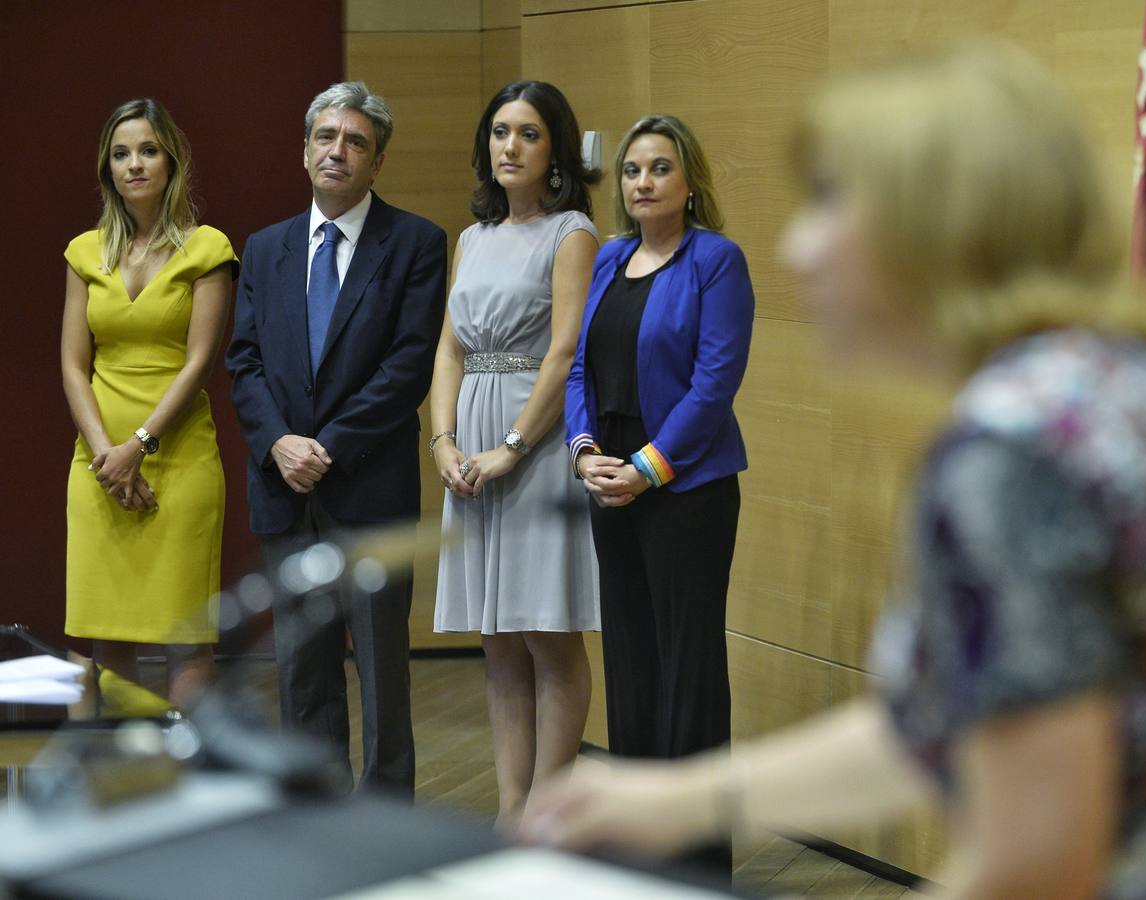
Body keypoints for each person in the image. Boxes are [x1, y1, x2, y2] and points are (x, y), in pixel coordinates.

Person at [522, 45, 1146, 897]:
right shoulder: (1134, 385)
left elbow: (1034, 847)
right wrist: (682, 799)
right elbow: (945, 724)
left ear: (936, 230)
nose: (800, 247)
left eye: (833, 203)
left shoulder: (1012, 457)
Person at [226, 81, 447, 797]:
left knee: (382, 672)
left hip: (369, 485)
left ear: (376, 163)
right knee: (302, 671)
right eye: (326, 137)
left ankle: (386, 826)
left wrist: (329, 446)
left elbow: (409, 364)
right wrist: (279, 444)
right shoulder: (264, 249)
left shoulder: (414, 242)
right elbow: (245, 362)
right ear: (305, 150)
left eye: (355, 142)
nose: (337, 151)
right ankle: (314, 819)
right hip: (284, 488)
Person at [562, 115, 754, 865]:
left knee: (689, 668)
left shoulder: (717, 261)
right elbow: (579, 368)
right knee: (633, 665)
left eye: (660, 169)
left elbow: (714, 385)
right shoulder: (609, 260)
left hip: (685, 491)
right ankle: (638, 850)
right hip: (608, 485)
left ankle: (698, 859)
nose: (643, 182)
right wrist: (585, 457)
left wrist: (645, 468)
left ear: (688, 181)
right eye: (634, 170)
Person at [429, 80, 601, 825]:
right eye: (500, 132)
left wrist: (508, 447)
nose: (510, 146)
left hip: (535, 437)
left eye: (528, 134)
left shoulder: (572, 234)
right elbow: (448, 350)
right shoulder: (471, 239)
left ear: (554, 149)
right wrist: (441, 439)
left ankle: (551, 811)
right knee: (497, 634)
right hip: (469, 441)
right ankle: (509, 811)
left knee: (546, 628)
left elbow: (566, 353)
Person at [61, 99, 236, 709]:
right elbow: (72, 366)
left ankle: (187, 793)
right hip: (99, 466)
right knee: (107, 635)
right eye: (120, 153)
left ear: (172, 160)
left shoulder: (206, 247)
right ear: (107, 168)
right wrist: (107, 455)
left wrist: (141, 446)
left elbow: (200, 363)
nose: (134, 164)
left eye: (148, 150)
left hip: (177, 461)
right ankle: (117, 793)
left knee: (186, 637)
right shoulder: (84, 252)